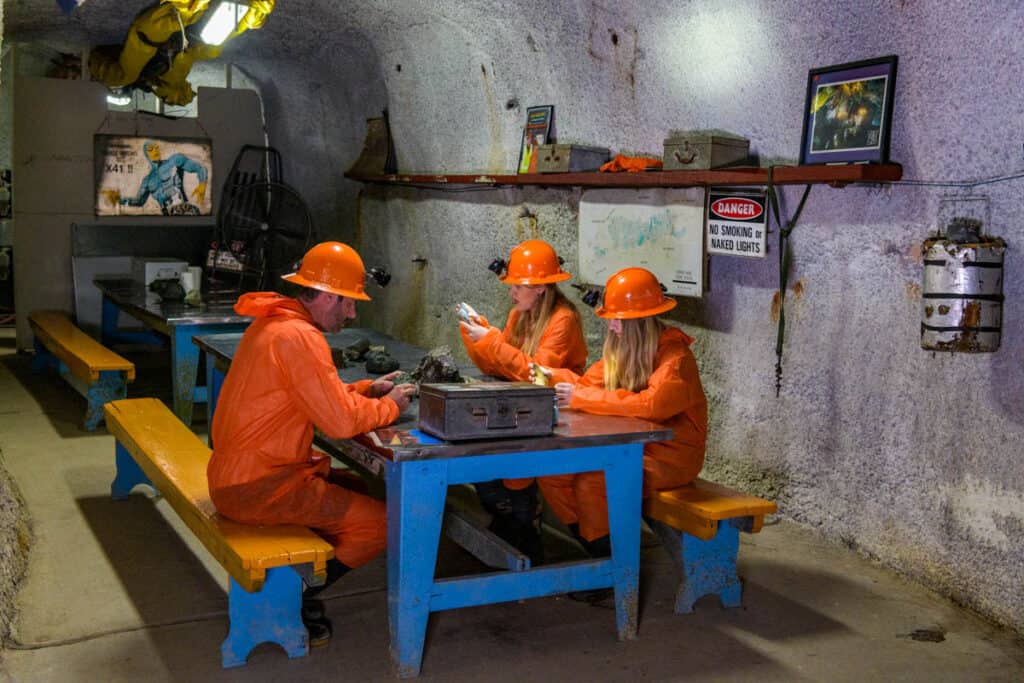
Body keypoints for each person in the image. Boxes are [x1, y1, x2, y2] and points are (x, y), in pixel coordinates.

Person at [207, 241, 416, 646]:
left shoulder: (274, 324)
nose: (353, 312)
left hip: (240, 475)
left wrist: (366, 390)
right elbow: (338, 421)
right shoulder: (301, 337)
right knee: (384, 523)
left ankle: (299, 580)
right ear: (326, 296)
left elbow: (313, 394)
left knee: (359, 489)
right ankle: (288, 598)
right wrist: (389, 407)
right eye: (349, 302)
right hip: (257, 487)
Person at [535, 267, 707, 563]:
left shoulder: (675, 358)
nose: (611, 327)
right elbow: (588, 386)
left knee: (594, 481)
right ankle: (598, 549)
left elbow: (652, 405)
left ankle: (615, 567)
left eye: (617, 320)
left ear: (639, 321)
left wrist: (582, 397)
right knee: (552, 472)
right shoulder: (623, 348)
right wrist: (552, 378)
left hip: (672, 456)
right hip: (634, 447)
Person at [458, 239, 587, 562]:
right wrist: (481, 336)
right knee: (472, 449)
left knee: (508, 460)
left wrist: (492, 343)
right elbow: (498, 364)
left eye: (519, 285)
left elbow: (537, 378)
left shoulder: (563, 320)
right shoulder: (520, 314)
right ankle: (513, 522)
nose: (512, 292)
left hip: (558, 416)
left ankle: (524, 526)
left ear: (541, 288)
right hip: (523, 408)